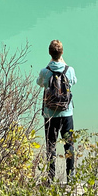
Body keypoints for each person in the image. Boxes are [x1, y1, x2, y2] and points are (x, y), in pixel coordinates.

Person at [36, 39, 77, 182]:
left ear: (49, 53)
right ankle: (71, 178)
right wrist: (64, 64)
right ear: (62, 53)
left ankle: (50, 178)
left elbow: (39, 83)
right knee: (69, 145)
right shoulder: (69, 70)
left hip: (49, 114)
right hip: (67, 113)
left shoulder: (45, 72)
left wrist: (49, 66)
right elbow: (73, 82)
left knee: (51, 145)